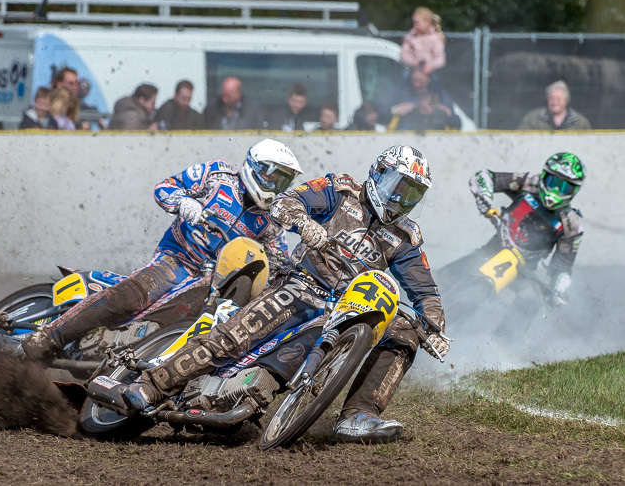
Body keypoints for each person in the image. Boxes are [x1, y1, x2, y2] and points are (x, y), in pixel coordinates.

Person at [118, 145, 449, 445]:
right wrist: (305, 224)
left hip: (347, 309)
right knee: (235, 335)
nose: (401, 200)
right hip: (300, 286)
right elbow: (286, 202)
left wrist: (435, 326)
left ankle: (359, 415)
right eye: (398, 187)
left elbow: (425, 290)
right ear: (378, 173)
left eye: (412, 194)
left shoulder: (406, 235)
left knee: (407, 331)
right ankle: (151, 386)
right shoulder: (341, 190)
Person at [21, 139, 304, 359]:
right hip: (175, 259)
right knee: (130, 297)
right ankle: (49, 337)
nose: (277, 187)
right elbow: (166, 186)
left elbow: (277, 261)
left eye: (284, 182)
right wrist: (184, 203)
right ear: (255, 167)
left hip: (211, 284)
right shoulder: (218, 175)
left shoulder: (271, 222)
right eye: (275, 177)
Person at [441, 152, 586, 306]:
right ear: (544, 176)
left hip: (524, 272)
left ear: (574, 190)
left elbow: (562, 267)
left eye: (564, 187)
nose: (556, 190)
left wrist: (558, 291)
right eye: (553, 182)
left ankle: (505, 332)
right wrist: (484, 195)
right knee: (442, 278)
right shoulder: (528, 183)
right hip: (493, 249)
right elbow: (485, 176)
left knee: (530, 302)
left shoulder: (571, 224)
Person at [376, 66, 456, 128]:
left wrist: (448, 114)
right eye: (414, 80)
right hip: (405, 138)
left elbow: (457, 124)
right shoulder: (400, 91)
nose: (416, 84)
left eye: (420, 81)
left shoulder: (440, 95)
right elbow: (379, 114)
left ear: (429, 79)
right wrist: (394, 111)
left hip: (435, 139)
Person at [517, 80, 591, 131]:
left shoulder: (580, 122)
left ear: (566, 101)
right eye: (552, 98)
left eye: (559, 99)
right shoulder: (532, 119)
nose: (555, 102)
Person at [400, 7, 446, 76]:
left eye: (417, 23)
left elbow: (441, 59)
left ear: (428, 23)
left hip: (430, 74)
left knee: (436, 86)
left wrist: (431, 65)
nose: (415, 26)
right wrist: (413, 61)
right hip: (413, 73)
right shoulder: (410, 36)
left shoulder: (435, 38)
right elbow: (403, 54)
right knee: (400, 86)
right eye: (414, 23)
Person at [392, 92, 460, 131]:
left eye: (424, 108)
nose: (421, 111)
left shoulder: (441, 116)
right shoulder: (412, 115)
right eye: (420, 108)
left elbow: (457, 127)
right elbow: (398, 131)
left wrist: (450, 115)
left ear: (434, 106)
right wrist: (397, 113)